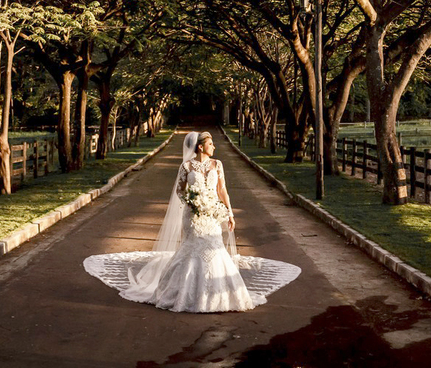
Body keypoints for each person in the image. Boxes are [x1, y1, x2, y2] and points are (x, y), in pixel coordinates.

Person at [83, 131, 299, 313]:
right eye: (210, 144)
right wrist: (193, 202)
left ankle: (219, 295)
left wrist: (230, 213)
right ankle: (183, 294)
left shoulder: (218, 164)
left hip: (213, 214)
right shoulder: (186, 167)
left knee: (215, 248)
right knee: (192, 249)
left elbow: (222, 190)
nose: (214, 146)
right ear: (200, 147)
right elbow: (179, 190)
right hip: (193, 215)